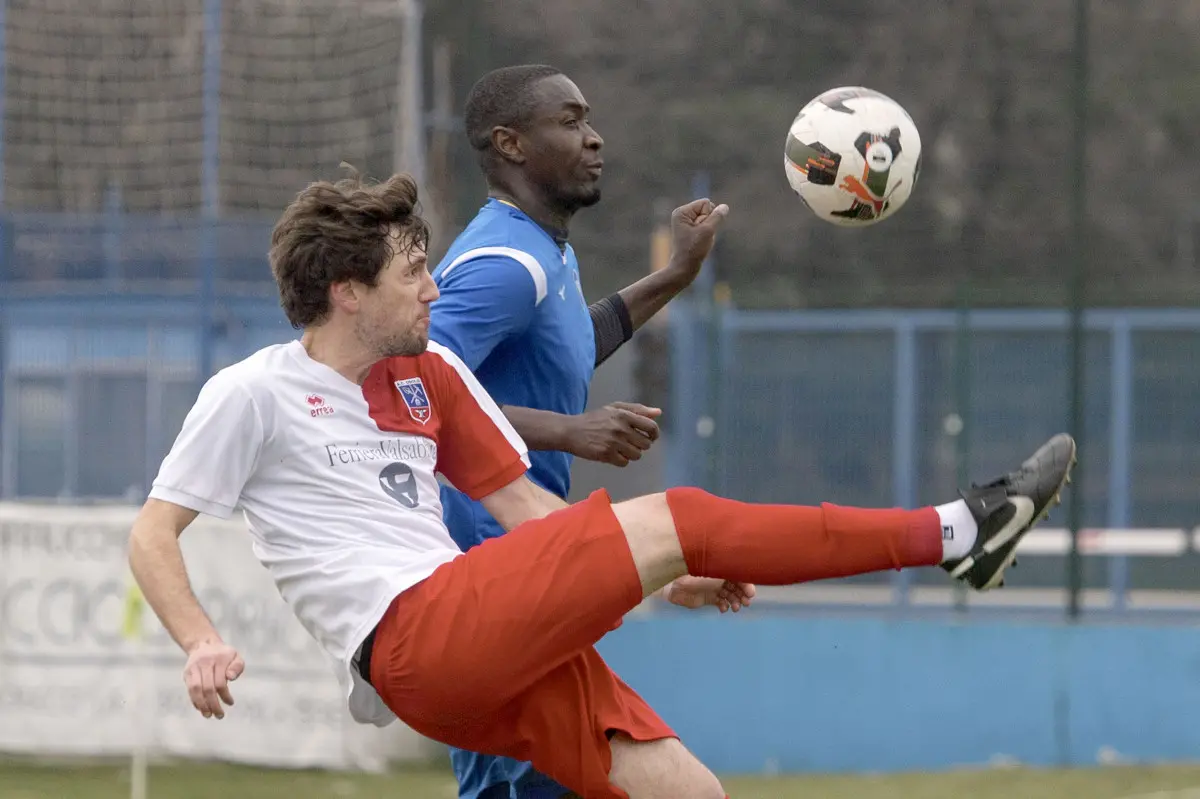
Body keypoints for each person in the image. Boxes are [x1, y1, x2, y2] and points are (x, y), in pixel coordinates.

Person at [127, 171, 1076, 799]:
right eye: (414, 273)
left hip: (466, 653)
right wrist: (201, 639)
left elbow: (528, 512)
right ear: (345, 291)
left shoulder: (434, 379)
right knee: (687, 512)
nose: (433, 291)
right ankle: (958, 531)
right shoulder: (252, 391)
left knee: (691, 792)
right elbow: (153, 534)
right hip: (413, 634)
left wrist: (652, 565)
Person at [429, 64, 727, 798]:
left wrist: (675, 277)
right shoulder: (502, 263)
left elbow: (567, 344)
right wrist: (570, 430)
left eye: (588, 118)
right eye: (570, 121)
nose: (594, 138)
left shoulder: (543, 250)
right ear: (512, 143)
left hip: (529, 576)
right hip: (495, 587)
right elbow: (417, 392)